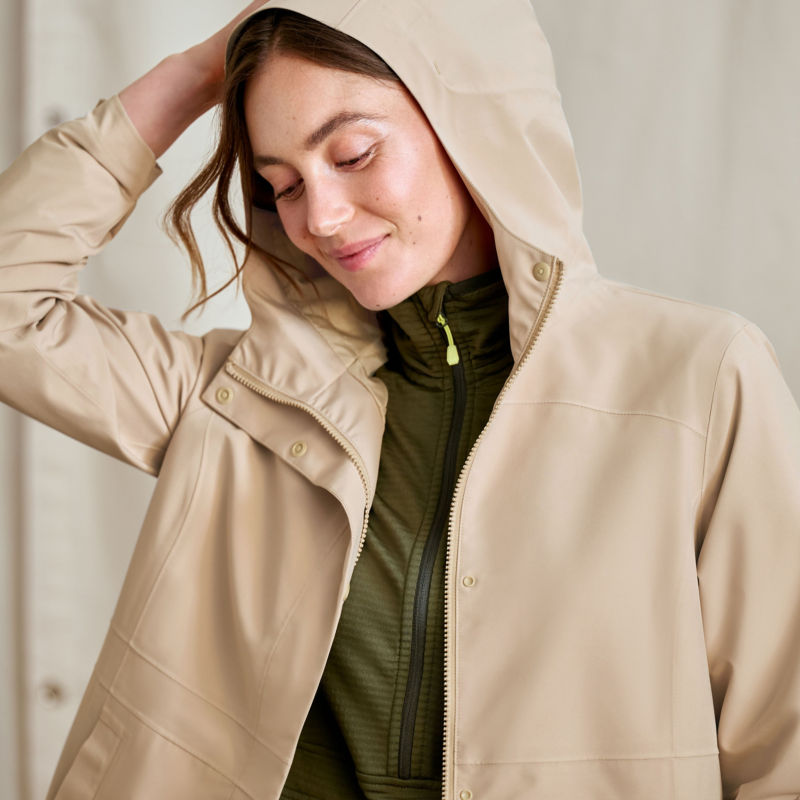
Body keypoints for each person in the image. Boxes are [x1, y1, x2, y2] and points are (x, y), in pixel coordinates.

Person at [1, 0, 799, 798]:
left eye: (352, 154)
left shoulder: (695, 379)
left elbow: (780, 742)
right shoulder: (239, 400)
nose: (321, 217)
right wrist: (195, 74)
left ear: (470, 117)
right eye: (281, 184)